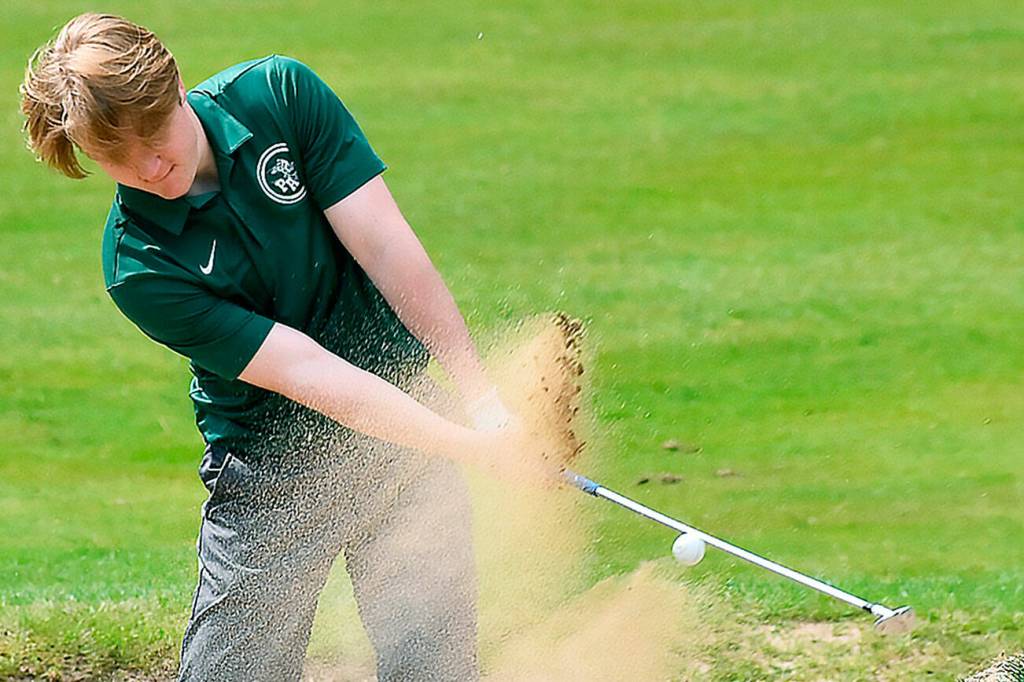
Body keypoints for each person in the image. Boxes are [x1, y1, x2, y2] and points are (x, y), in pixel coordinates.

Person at [20, 13, 531, 681]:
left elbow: (387, 247)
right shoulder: (139, 265)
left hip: (405, 410)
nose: (149, 168)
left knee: (433, 668)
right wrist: (465, 444)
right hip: (271, 467)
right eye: (117, 158)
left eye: (154, 136)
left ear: (175, 86)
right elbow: (307, 371)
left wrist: (482, 400)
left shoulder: (279, 97)